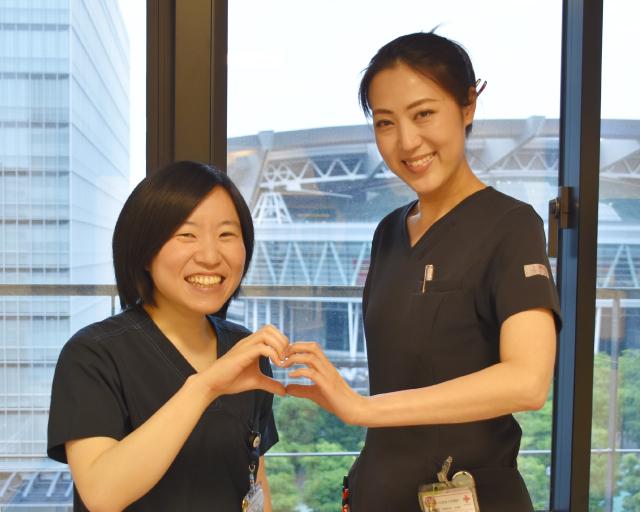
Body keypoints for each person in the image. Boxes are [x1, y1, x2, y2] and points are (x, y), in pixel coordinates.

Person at [284, 31, 561, 511]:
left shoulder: (511, 225)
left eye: (424, 114)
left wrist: (364, 408)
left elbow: (528, 381)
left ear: (468, 105)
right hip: (378, 489)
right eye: (385, 122)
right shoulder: (388, 232)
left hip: (470, 491)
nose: (407, 141)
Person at [47, 161, 289, 511]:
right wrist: (205, 386)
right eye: (186, 235)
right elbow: (101, 494)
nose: (210, 256)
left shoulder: (245, 349)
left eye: (226, 234)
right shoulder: (92, 355)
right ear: (144, 251)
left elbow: (255, 481)